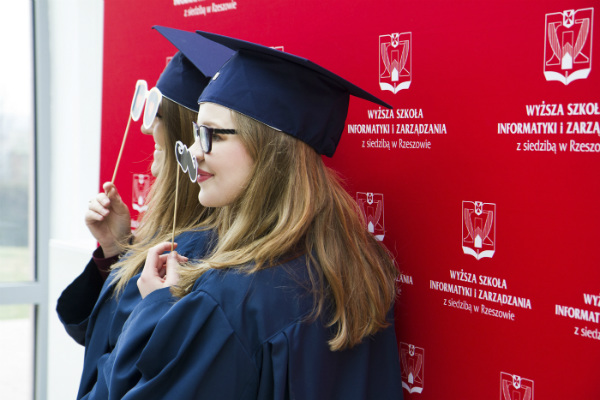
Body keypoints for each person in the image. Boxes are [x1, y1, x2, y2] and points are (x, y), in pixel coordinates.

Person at [102, 32, 404, 399]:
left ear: (269, 150)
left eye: (213, 135)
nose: (193, 153)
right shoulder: (364, 268)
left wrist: (152, 308)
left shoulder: (227, 301)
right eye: (197, 132)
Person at [56, 26, 233, 399]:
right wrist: (116, 249)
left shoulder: (189, 259)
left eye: (159, 113)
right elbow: (100, 335)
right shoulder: (167, 245)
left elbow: (125, 371)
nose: (146, 126)